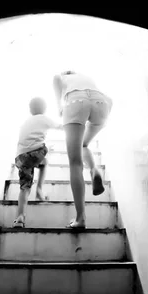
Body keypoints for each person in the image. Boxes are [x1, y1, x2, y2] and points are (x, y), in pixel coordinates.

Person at [53, 70, 113, 229]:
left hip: (75, 101)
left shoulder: (59, 76)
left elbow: (58, 96)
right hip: (103, 103)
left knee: (75, 162)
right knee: (84, 144)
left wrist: (60, 108)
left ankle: (81, 218)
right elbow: (109, 99)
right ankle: (94, 170)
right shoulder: (86, 77)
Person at [12, 97, 62, 228]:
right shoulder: (43, 118)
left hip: (20, 158)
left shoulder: (26, 122)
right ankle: (39, 190)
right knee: (45, 150)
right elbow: (60, 127)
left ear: (30, 110)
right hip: (34, 154)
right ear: (44, 109)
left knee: (25, 188)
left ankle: (20, 217)